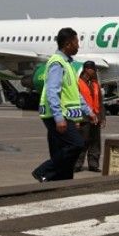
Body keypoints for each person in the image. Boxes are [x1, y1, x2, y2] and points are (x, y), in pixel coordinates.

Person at [32, 28, 96, 182]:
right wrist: (59, 118)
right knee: (77, 145)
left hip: (66, 115)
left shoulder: (68, 64)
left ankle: (61, 182)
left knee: (61, 151)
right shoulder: (57, 63)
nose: (78, 46)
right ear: (67, 44)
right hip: (57, 116)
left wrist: (88, 111)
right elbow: (52, 92)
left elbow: (75, 93)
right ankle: (43, 171)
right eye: (76, 42)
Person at [75, 61, 105, 173]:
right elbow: (76, 101)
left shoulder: (95, 84)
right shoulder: (78, 83)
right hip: (84, 117)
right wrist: (76, 119)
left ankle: (93, 165)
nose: (95, 72)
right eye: (93, 70)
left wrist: (102, 117)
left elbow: (100, 102)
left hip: (95, 117)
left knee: (95, 142)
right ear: (87, 70)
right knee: (83, 142)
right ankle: (77, 164)